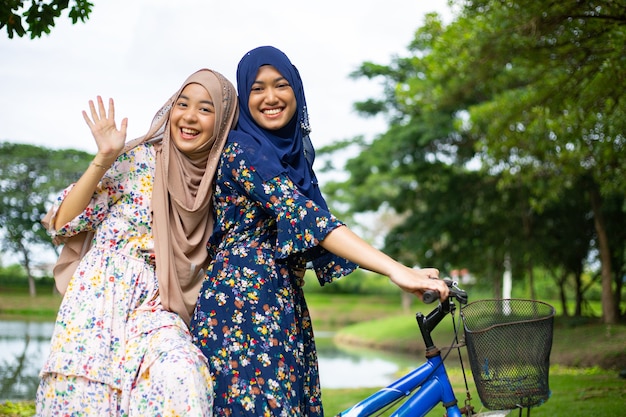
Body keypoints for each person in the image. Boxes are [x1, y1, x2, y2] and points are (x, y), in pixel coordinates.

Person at [190, 46, 450, 417]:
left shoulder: (288, 157)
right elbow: (310, 220)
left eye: (280, 85)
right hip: (243, 308)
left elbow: (318, 226)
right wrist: (396, 270)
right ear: (243, 98)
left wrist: (405, 268)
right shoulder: (242, 150)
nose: (270, 98)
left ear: (296, 89)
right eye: (257, 88)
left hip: (279, 299)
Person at [36, 68, 239, 416]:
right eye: (183, 104)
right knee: (85, 402)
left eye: (205, 109)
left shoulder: (223, 182)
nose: (189, 117)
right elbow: (63, 223)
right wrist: (104, 158)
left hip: (158, 303)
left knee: (181, 373)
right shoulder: (138, 159)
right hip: (99, 298)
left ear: (222, 122)